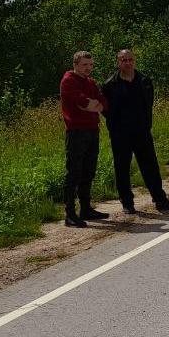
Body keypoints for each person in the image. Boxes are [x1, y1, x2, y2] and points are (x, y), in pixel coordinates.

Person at [102, 49, 169, 214]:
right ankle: (127, 203)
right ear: (118, 62)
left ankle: (160, 200)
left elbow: (148, 104)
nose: (127, 63)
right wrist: (115, 126)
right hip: (120, 133)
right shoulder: (110, 85)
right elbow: (106, 110)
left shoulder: (145, 81)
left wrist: (145, 124)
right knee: (122, 168)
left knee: (150, 165)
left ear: (134, 61)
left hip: (141, 131)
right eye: (123, 60)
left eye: (130, 60)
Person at [59, 51, 109, 227]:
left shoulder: (90, 82)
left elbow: (103, 102)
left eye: (90, 65)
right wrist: (91, 104)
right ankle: (70, 214)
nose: (88, 68)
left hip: (92, 130)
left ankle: (86, 209)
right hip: (76, 132)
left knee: (89, 171)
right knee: (74, 172)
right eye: (84, 65)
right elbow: (82, 102)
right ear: (75, 64)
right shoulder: (68, 81)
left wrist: (93, 104)